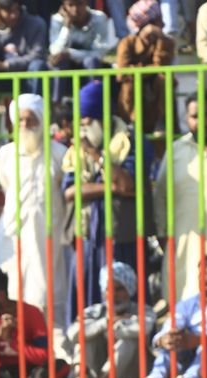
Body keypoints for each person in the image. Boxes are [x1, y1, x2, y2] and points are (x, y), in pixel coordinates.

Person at [63, 80, 153, 320]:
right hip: (88, 241)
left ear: (101, 117)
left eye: (85, 118)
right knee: (88, 310)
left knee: (125, 309)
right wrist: (111, 187)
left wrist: (95, 154)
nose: (81, 125)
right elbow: (70, 192)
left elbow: (128, 183)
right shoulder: (77, 148)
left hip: (122, 241)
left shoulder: (131, 140)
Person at [0, 93, 68, 352]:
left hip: (48, 234)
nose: (25, 125)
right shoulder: (5, 154)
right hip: (12, 234)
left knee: (48, 293)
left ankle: (56, 354)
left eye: (31, 119)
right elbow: (7, 186)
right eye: (21, 120)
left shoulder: (59, 153)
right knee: (13, 291)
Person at [153, 90, 207, 304]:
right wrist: (164, 237)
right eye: (195, 117)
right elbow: (160, 199)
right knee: (182, 311)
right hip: (183, 255)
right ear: (187, 119)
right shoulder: (175, 151)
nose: (201, 122)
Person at [62, 261, 155, 378]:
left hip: (130, 377)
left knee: (129, 340)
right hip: (95, 371)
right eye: (109, 288)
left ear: (129, 289)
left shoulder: (144, 311)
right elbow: (73, 334)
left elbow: (142, 329)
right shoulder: (93, 312)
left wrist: (102, 331)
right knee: (85, 338)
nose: (113, 294)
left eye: (119, 289)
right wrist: (107, 322)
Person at [0, 266, 69, 378]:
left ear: (1, 295)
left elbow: (44, 356)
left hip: (31, 371)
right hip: (2, 373)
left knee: (61, 366)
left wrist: (12, 342)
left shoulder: (32, 313)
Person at [0, 0, 46, 127]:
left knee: (38, 66)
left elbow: (38, 55)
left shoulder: (34, 23)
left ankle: (35, 120)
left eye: (16, 9)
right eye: (9, 11)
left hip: (26, 79)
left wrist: (6, 65)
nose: (14, 15)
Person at [47, 0, 116, 100]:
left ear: (87, 2)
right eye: (70, 5)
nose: (75, 9)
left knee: (91, 61)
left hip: (90, 66)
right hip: (66, 67)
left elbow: (100, 53)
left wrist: (71, 54)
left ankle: (94, 102)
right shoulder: (57, 19)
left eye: (79, 4)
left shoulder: (100, 18)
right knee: (57, 62)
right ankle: (57, 104)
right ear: (64, 6)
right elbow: (56, 51)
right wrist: (67, 24)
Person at [114, 23, 173, 134]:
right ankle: (132, 123)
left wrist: (161, 39)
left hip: (157, 91)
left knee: (164, 78)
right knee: (130, 84)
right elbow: (122, 74)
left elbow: (162, 66)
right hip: (132, 98)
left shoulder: (167, 42)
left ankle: (161, 122)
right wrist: (152, 69)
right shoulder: (127, 42)